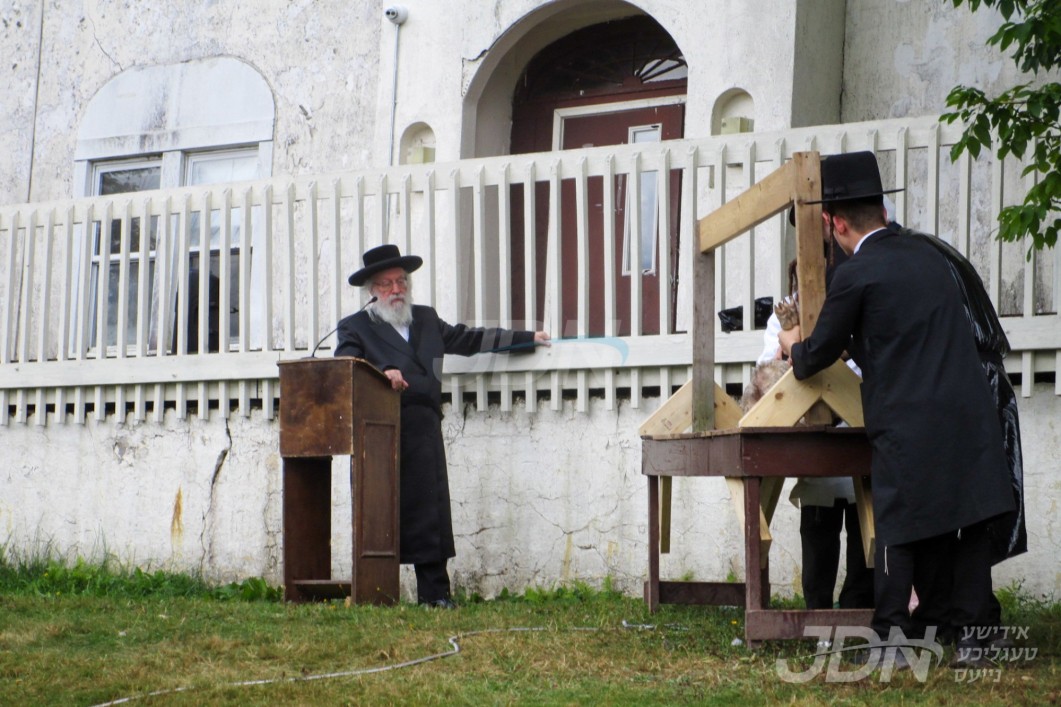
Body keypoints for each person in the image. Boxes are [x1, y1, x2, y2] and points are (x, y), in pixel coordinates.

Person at [777, 152, 1014, 657]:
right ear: (883, 210)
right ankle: (973, 636)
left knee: (900, 527)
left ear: (835, 223)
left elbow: (813, 358)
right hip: (970, 411)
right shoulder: (931, 255)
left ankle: (891, 637)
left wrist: (792, 342)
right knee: (967, 521)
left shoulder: (856, 273)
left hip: (907, 420)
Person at [334, 244, 550, 608]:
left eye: (401, 281)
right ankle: (375, 594)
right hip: (381, 432)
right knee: (381, 513)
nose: (396, 289)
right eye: (386, 284)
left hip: (424, 429)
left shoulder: (427, 319)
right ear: (372, 291)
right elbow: (345, 365)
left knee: (430, 514)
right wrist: (380, 374)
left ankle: (435, 595)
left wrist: (527, 338)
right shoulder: (355, 327)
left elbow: (470, 339)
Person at [754, 256, 874, 613]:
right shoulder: (782, 318)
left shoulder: (852, 306)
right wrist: (785, 349)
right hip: (813, 435)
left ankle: (856, 607)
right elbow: (767, 367)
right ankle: (817, 609)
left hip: (855, 430)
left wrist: (808, 351)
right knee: (819, 529)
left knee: (862, 526)